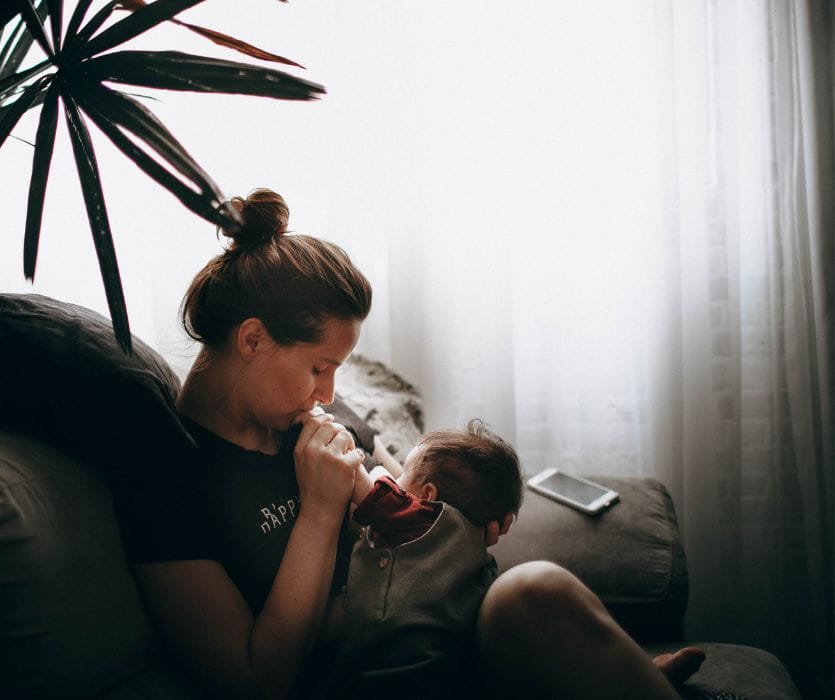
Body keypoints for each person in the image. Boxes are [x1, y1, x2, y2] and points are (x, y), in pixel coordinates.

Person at [127, 187, 703, 699]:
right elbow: (259, 680)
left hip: (442, 642)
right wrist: (321, 515)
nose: (327, 392)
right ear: (252, 338)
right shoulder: (170, 481)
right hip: (368, 678)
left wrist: (464, 523)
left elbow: (414, 508)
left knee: (534, 587)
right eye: (319, 368)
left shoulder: (319, 415)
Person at [325, 419, 524, 698]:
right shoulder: (471, 550)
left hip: (389, 675)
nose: (395, 478)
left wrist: (338, 439)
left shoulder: (425, 518)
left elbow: (364, 485)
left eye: (405, 472)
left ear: (427, 495)